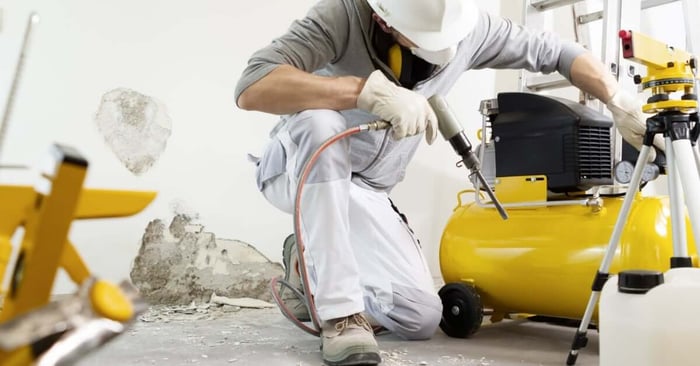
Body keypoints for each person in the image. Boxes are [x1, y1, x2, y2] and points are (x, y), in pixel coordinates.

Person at [234, 0, 664, 365]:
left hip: (366, 192)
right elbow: (253, 85)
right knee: (319, 123)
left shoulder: (470, 26)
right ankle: (339, 315)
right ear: (385, 20)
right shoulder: (342, 14)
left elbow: (560, 52)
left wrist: (618, 98)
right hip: (300, 171)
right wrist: (359, 91)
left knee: (419, 318)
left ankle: (303, 263)